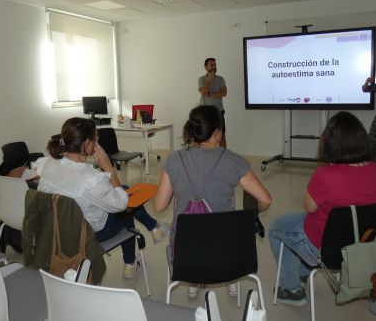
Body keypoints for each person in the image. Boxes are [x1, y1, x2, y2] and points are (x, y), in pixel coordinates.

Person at [269, 111, 376, 307]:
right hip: (363, 246)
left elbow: (310, 207)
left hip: (325, 250)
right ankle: (303, 274)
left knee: (276, 226)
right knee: (301, 220)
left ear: (329, 142)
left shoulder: (325, 174)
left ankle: (291, 289)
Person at [154, 105, 272, 298]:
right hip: (229, 255)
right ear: (218, 133)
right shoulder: (233, 161)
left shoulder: (174, 160)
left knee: (195, 233)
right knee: (226, 221)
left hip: (186, 257)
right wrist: (255, 214)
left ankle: (195, 280)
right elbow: (265, 199)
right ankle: (231, 279)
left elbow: (159, 206)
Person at [38, 117, 168, 279]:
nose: (99, 141)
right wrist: (108, 168)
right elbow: (121, 203)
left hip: (59, 231)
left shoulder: (47, 164)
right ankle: (131, 263)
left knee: (124, 192)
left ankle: (154, 227)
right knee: (126, 206)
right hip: (90, 234)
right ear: (87, 144)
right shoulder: (91, 179)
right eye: (96, 138)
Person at [198, 57, 227, 148]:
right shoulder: (202, 79)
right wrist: (209, 81)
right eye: (211, 65)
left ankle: (223, 155)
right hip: (206, 112)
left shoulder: (220, 79)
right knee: (204, 134)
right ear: (206, 67)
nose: (214, 66)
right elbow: (203, 91)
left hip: (219, 111)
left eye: (215, 65)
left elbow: (224, 93)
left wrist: (210, 94)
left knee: (221, 134)